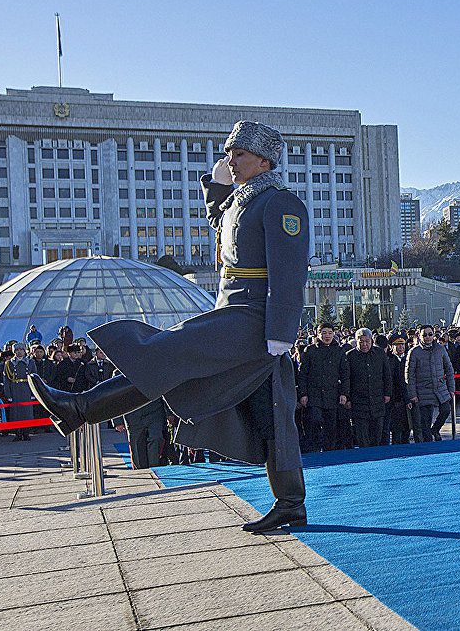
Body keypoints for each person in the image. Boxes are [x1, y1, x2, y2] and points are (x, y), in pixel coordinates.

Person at [29, 121, 310, 533]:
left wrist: (282, 331)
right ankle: (291, 504)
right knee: (272, 413)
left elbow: (289, 271)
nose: (230, 161)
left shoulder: (280, 204)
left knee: (165, 353)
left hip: (255, 318)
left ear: (265, 161)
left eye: (240, 155)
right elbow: (220, 218)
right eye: (228, 153)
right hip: (234, 310)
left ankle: (81, 408)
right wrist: (216, 184)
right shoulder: (244, 200)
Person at [338, 328, 391, 448]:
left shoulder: (379, 353)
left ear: (371, 340)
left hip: (377, 400)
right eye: (361, 341)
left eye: (367, 341)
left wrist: (387, 393)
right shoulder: (350, 356)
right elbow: (346, 378)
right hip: (358, 402)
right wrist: (348, 397)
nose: (364, 344)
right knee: (362, 437)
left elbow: (387, 375)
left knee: (377, 435)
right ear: (356, 341)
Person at [297, 323, 346, 452]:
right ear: (318, 334)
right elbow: (302, 374)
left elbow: (345, 374)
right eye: (324, 333)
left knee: (331, 427)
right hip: (314, 395)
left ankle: (329, 452)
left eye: (330, 332)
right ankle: (314, 450)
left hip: (332, 395)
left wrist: (344, 394)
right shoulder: (310, 351)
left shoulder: (339, 351)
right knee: (314, 421)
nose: (327, 336)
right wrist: (303, 394)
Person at [405, 324, 455, 443]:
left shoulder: (440, 349)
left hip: (440, 389)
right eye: (424, 335)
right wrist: (412, 394)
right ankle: (429, 448)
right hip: (423, 391)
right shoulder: (414, 352)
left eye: (430, 334)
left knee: (445, 410)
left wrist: (451, 388)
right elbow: (409, 375)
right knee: (425, 423)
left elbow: (449, 369)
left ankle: (435, 430)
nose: (427, 337)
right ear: (419, 336)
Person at [1, 343, 38, 442]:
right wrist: (8, 394)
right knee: (16, 413)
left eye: (21, 349)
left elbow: (35, 378)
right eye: (17, 350)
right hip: (15, 388)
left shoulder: (30, 362)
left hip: (27, 388)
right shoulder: (9, 363)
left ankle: (26, 433)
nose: (19, 352)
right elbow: (6, 380)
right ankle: (17, 433)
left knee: (27, 412)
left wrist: (34, 393)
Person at [386, 334, 412, 444]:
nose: (400, 347)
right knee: (396, 430)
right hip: (394, 400)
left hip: (408, 399)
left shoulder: (409, 359)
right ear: (392, 346)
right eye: (397, 345)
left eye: (402, 344)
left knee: (407, 428)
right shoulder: (389, 360)